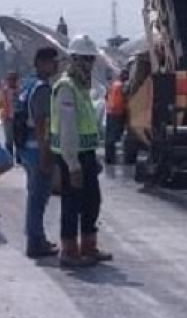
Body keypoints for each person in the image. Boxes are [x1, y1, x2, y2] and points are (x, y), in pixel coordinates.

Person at [52, 35, 110, 267]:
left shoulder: (82, 87)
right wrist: (73, 163)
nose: (89, 64)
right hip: (71, 157)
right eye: (85, 59)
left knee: (92, 201)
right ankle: (69, 251)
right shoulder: (66, 87)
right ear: (74, 59)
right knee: (72, 204)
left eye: (91, 59)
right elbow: (67, 129)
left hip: (86, 154)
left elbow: (87, 123)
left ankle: (88, 246)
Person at [18, 47, 59, 258]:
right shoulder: (42, 88)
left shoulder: (27, 84)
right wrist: (46, 154)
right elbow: (42, 122)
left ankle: (35, 236)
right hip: (38, 148)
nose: (56, 65)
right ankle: (36, 240)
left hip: (26, 147)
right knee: (39, 197)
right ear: (42, 62)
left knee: (34, 195)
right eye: (53, 61)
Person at [104, 68, 129, 164]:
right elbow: (125, 97)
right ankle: (110, 159)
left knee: (109, 137)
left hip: (110, 112)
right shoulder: (121, 86)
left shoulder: (113, 84)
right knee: (113, 138)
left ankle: (109, 158)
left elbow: (106, 96)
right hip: (118, 113)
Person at [0, 70, 19, 156]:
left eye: (14, 79)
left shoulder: (20, 90)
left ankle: (20, 158)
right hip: (8, 118)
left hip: (18, 118)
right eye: (10, 79)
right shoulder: (4, 91)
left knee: (19, 138)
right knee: (9, 140)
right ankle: (9, 157)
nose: (12, 81)